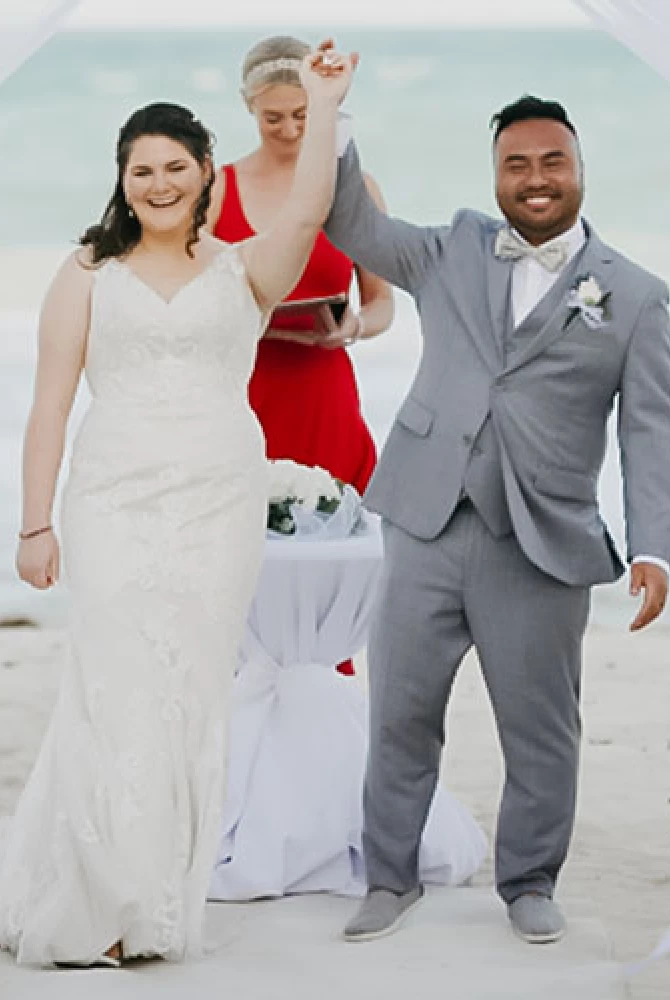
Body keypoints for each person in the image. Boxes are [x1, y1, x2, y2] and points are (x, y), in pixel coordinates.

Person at [0, 44, 355, 968]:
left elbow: (312, 206)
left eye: (176, 168)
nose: (158, 184)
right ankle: (91, 902)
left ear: (208, 174)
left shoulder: (246, 270)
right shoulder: (87, 271)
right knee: (112, 691)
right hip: (112, 501)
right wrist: (34, 521)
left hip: (216, 506)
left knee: (188, 699)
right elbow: (50, 404)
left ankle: (151, 906)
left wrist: (321, 106)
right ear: (122, 183)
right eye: (140, 170)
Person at [323, 93, 670, 945]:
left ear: (581, 168)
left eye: (552, 161)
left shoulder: (635, 297)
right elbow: (350, 225)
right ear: (496, 175)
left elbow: (649, 432)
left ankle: (528, 883)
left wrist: (655, 547)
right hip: (424, 519)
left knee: (542, 728)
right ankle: (390, 879)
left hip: (543, 540)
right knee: (400, 713)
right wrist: (331, 117)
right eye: (517, 164)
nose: (536, 179)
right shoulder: (453, 249)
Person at [209, 35, 393, 679]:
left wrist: (354, 326)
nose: (289, 129)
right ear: (248, 108)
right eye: (273, 117)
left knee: (328, 565)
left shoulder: (353, 185)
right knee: (239, 570)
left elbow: (381, 305)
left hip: (325, 395)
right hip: (246, 396)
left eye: (302, 115)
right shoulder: (216, 188)